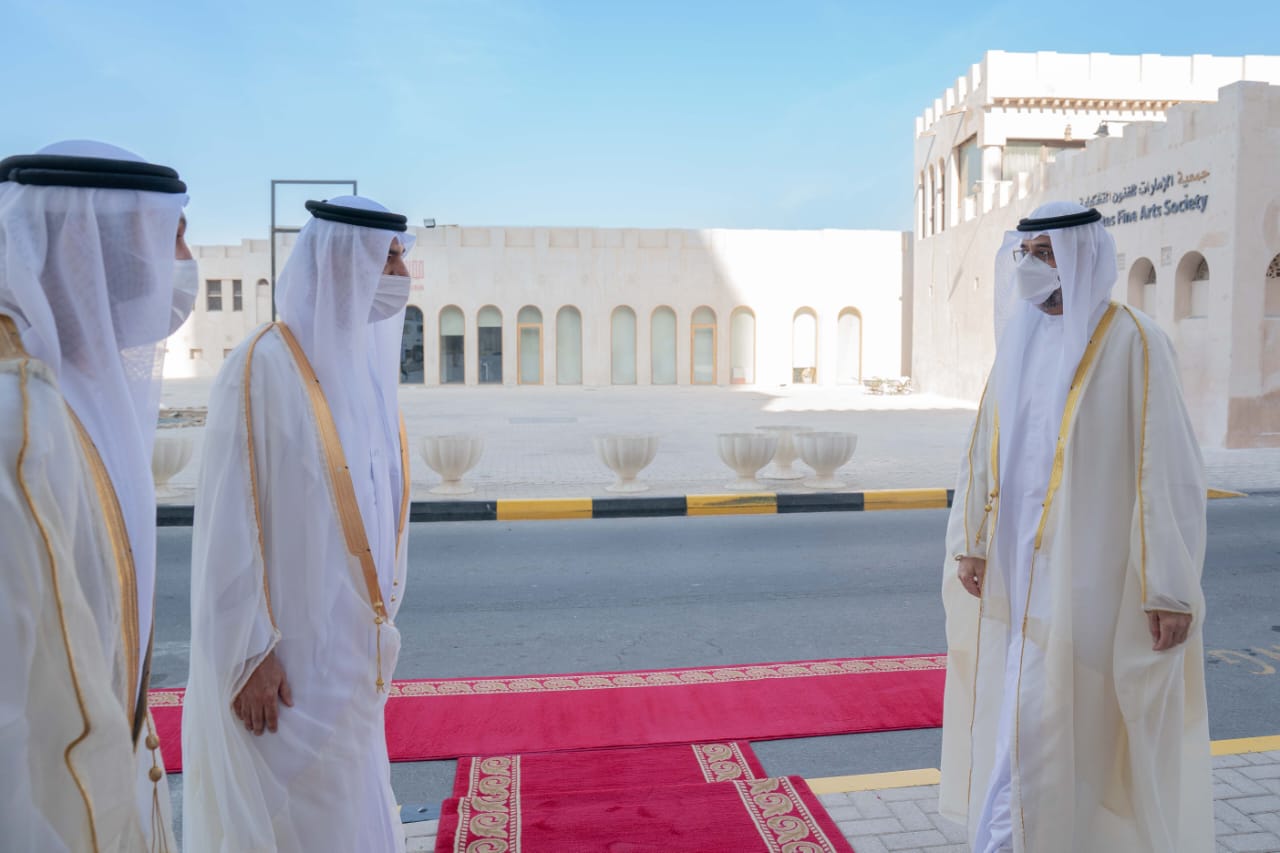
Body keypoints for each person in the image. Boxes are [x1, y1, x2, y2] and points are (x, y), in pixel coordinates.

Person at [938, 201, 1211, 853]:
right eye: (1025, 254)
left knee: (1079, 730)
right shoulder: (1021, 341)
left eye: (1045, 254)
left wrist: (1169, 589)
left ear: (1079, 257)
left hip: (1098, 583)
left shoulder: (1135, 341)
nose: (1031, 266)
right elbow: (984, 447)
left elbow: (1167, 470)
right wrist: (972, 542)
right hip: (1022, 579)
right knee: (1025, 719)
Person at [182, 196, 415, 853]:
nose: (401, 274)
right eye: (388, 258)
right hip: (285, 673)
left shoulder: (365, 374)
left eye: (401, 257)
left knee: (353, 809)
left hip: (351, 656)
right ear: (343, 262)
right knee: (297, 824)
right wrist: (247, 652)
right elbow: (227, 523)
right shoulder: (260, 368)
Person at [0, 140, 193, 851]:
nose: (185, 265)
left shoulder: (85, 389)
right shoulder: (15, 414)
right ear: (104, 249)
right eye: (171, 238)